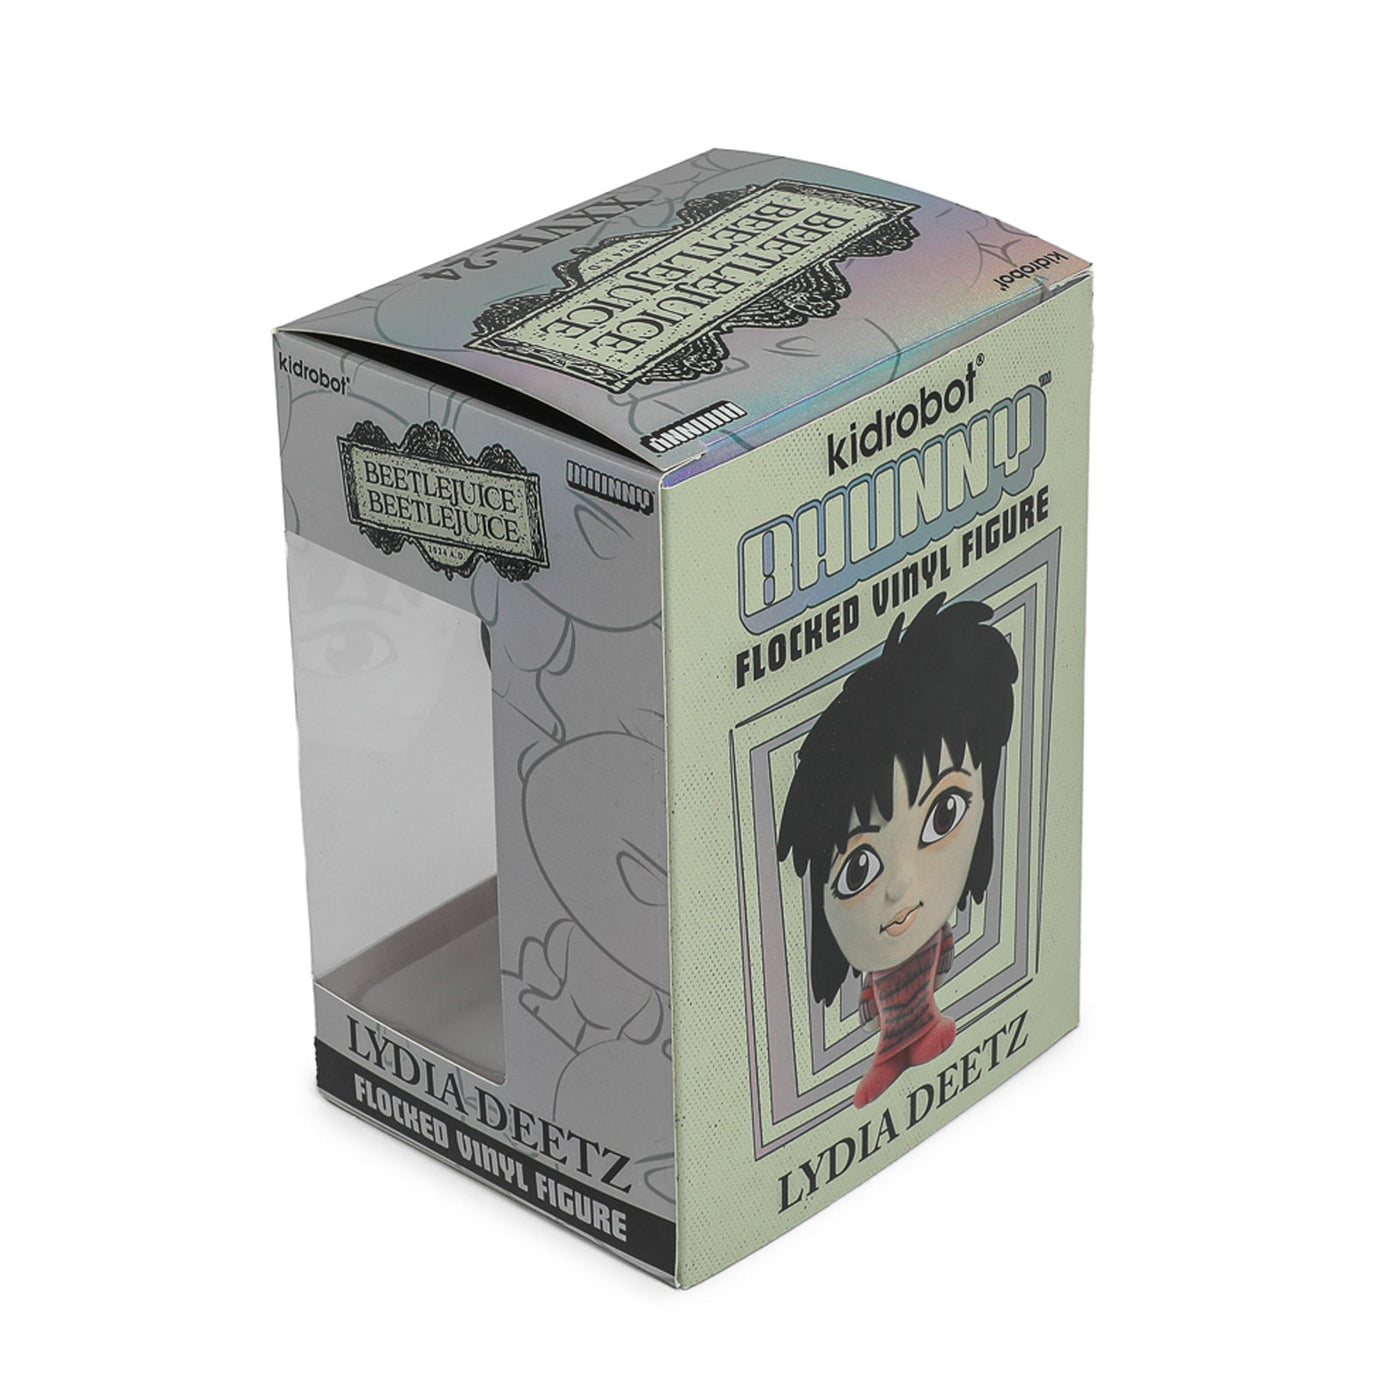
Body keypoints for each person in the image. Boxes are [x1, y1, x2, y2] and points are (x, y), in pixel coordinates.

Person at [777, 593, 1018, 1107]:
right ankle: (894, 1050)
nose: (903, 882)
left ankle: (914, 1037)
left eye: (944, 815)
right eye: (857, 870)